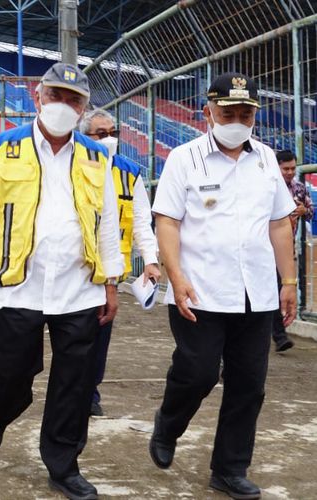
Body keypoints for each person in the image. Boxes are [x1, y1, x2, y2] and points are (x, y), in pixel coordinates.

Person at [0, 63, 124, 500]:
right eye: (57, 95)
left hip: (80, 288)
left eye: (74, 100)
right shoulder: (3, 148)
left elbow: (107, 222)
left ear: (84, 108)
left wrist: (111, 282)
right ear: (38, 97)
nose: (64, 106)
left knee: (74, 382)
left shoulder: (97, 155)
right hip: (19, 286)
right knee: (10, 374)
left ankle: (63, 464)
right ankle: (0, 415)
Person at [150, 73, 297, 500]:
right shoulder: (184, 158)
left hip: (256, 294)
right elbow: (168, 222)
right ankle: (169, 422)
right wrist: (176, 278)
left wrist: (288, 281)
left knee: (249, 385)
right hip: (201, 290)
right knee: (196, 373)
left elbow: (279, 224)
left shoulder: (267, 158)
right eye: (227, 112)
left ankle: (229, 469)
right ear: (207, 112)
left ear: (255, 115)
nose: (236, 120)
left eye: (245, 113)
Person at [79, 109, 161, 417]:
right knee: (74, 335)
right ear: (85, 136)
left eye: (113, 133)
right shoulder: (74, 166)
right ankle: (74, 388)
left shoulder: (129, 172)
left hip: (110, 275)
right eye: (101, 134)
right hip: (78, 269)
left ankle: (90, 392)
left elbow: (141, 220)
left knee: (100, 334)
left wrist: (150, 260)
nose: (109, 139)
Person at [271, 149, 312, 352]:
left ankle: (278, 334)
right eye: (285, 168)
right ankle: (278, 335)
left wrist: (305, 211)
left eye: (293, 169)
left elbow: (310, 211)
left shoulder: (300, 188)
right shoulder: (268, 187)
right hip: (264, 246)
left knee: (278, 286)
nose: (289, 172)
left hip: (286, 247)